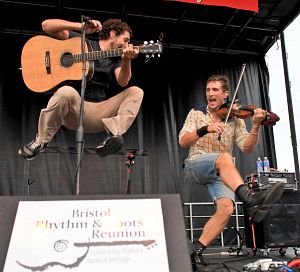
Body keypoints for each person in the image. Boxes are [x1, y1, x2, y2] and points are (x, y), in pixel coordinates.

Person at [178, 75, 284, 271]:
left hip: (221, 172)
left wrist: (256, 125)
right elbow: (183, 142)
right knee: (225, 157)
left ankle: (195, 251)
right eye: (208, 89)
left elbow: (247, 148)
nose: (210, 93)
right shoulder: (197, 113)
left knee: (226, 208)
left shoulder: (235, 119)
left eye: (215, 90)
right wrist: (206, 128)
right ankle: (250, 199)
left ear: (226, 94)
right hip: (195, 164)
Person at [18, 18, 144, 160]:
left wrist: (127, 60)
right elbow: (46, 25)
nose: (127, 45)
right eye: (125, 40)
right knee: (66, 91)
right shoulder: (81, 43)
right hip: (74, 110)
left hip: (99, 113)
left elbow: (123, 82)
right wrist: (80, 27)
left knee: (136, 91)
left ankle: (114, 136)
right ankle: (41, 141)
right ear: (113, 34)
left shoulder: (117, 58)